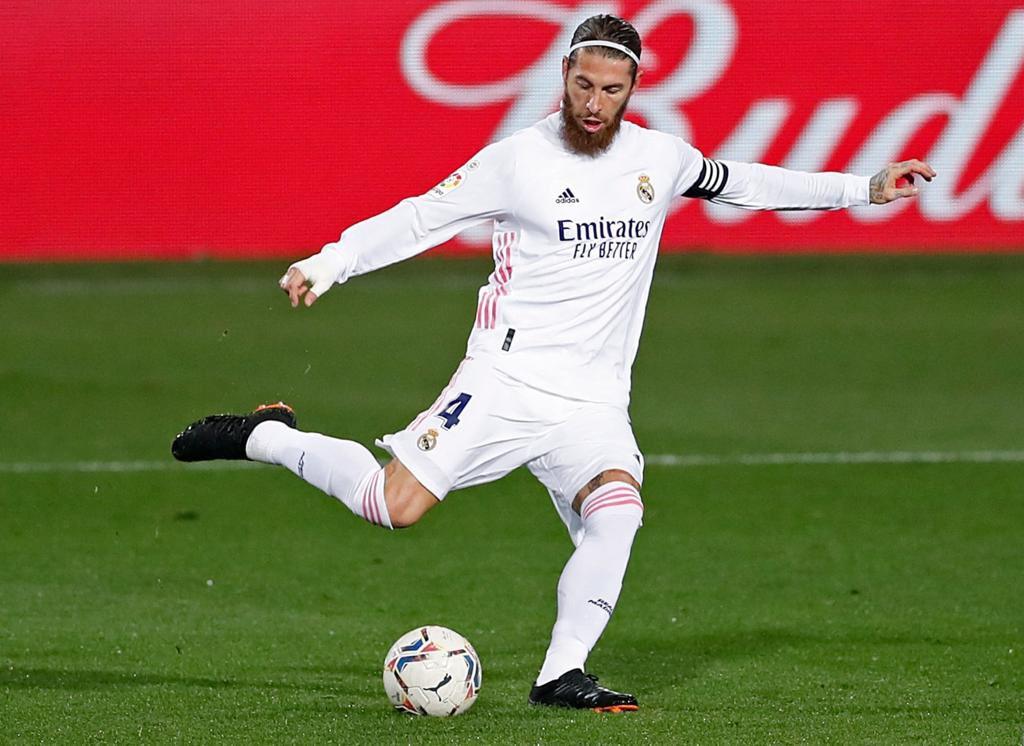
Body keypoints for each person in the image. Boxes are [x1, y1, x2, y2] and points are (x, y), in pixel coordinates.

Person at [172, 14, 935, 712]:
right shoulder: (517, 161)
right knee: (391, 505)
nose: (594, 104)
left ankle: (562, 672)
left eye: (611, 89)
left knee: (618, 512)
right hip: (504, 381)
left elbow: (750, 184)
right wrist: (331, 261)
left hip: (592, 401)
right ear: (564, 75)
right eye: (583, 85)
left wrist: (865, 188)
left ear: (634, 87)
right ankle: (268, 436)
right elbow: (421, 217)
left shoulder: (661, 158)